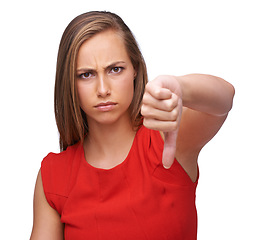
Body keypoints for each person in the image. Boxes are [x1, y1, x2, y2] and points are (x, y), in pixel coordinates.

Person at [30, 11, 235, 240]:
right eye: (86, 75)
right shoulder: (53, 176)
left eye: (115, 69)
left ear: (135, 68)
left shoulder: (165, 138)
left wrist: (181, 88)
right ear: (69, 82)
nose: (103, 89)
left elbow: (225, 99)